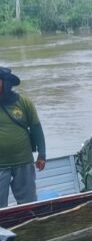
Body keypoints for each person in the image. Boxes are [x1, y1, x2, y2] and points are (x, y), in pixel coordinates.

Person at [0, 67, 46, 208]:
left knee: (28, 205)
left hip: (23, 161)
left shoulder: (23, 102)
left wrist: (42, 155)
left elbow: (36, 128)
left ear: (6, 83)